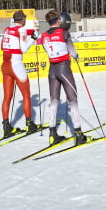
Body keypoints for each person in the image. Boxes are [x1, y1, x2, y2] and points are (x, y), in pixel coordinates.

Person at [40, 10, 88, 146]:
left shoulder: (44, 35)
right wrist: (76, 56)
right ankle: (78, 135)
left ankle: (52, 133)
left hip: (52, 70)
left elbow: (47, 49)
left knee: (54, 100)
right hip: (63, 68)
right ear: (59, 20)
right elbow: (72, 52)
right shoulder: (64, 32)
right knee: (73, 99)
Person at [0, 10, 39, 137]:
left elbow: (2, 45)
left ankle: (6, 127)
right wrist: (33, 39)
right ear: (23, 20)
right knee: (26, 95)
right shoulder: (21, 30)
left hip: (5, 65)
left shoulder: (7, 29)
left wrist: (29, 32)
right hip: (16, 64)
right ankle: (29, 124)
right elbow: (24, 49)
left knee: (7, 97)